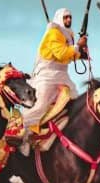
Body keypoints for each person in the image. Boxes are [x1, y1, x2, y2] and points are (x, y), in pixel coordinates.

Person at [22, 8, 86, 141]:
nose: (69, 20)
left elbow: (66, 57)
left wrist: (81, 55)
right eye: (65, 17)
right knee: (40, 107)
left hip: (62, 75)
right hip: (47, 75)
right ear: (59, 19)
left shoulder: (69, 34)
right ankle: (17, 127)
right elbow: (61, 53)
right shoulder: (53, 33)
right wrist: (77, 46)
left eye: (70, 17)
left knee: (76, 103)